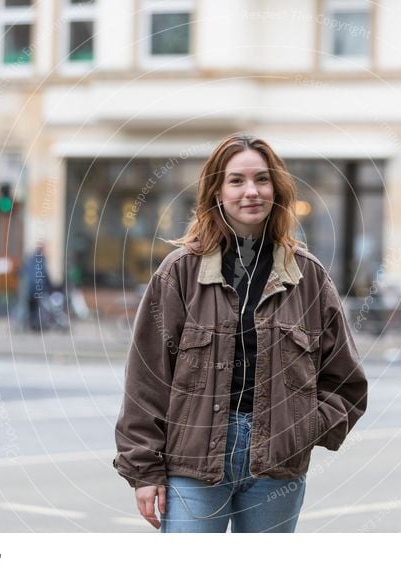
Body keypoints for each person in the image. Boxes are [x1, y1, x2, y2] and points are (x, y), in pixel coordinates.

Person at [113, 133, 368, 533]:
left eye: (262, 180)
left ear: (277, 190)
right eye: (236, 180)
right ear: (216, 191)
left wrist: (299, 429)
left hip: (276, 469)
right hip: (193, 461)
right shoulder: (179, 274)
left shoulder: (309, 277)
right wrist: (144, 470)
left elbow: (347, 383)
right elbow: (147, 379)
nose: (251, 191)